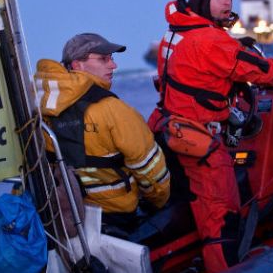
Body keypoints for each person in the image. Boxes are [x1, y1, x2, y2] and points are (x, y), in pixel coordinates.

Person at [148, 0, 273, 273]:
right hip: (198, 138)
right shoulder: (212, 41)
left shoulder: (175, 31)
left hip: (170, 127)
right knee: (221, 214)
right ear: (202, 0)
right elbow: (262, 71)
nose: (227, 3)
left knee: (197, 203)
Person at [35, 33, 171, 235]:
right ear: (77, 65)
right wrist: (160, 202)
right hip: (118, 216)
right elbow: (152, 172)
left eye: (112, 58)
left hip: (66, 213)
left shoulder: (39, 108)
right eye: (103, 59)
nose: (113, 65)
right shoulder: (113, 110)